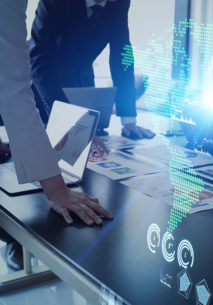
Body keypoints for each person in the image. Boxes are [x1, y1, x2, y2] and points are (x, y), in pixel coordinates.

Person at [0, 0, 114, 270]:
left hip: (73, 81)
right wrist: (56, 188)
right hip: (43, 87)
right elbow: (14, 85)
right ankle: (16, 242)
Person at [29, 0, 155, 139]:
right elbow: (39, 60)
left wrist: (128, 119)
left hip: (83, 86)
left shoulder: (120, 2)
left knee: (88, 146)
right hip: (42, 88)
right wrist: (68, 121)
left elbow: (122, 57)